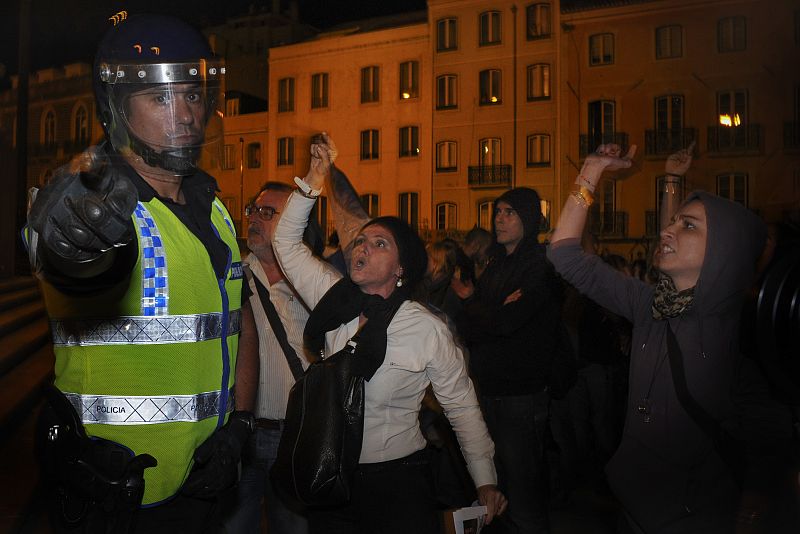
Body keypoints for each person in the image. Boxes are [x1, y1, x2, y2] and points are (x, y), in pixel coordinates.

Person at [24, 14, 257, 533]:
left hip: (203, 484)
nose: (185, 115)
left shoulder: (214, 208)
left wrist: (240, 424)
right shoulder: (97, 200)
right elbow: (73, 250)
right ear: (116, 108)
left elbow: (239, 320)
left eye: (193, 96)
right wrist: (66, 236)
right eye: (160, 98)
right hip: (112, 491)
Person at [547, 143, 793, 533]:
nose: (667, 230)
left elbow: (771, 426)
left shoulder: (739, 332)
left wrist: (758, 493)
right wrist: (591, 169)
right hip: (634, 508)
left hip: (697, 517)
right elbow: (565, 256)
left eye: (688, 225)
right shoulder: (650, 305)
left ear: (723, 253)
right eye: (674, 221)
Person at [272, 134, 507, 534]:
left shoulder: (426, 329)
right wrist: (313, 178)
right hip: (330, 472)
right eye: (361, 241)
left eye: (380, 243)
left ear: (401, 268)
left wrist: (485, 481)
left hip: (399, 482)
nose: (362, 247)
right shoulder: (334, 299)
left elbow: (462, 408)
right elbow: (286, 243)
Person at [457, 187, 564, 534]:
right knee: (492, 488)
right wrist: (490, 307)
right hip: (488, 390)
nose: (500, 219)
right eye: (498, 212)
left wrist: (485, 309)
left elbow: (509, 322)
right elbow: (469, 324)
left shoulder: (540, 263)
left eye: (510, 213)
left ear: (528, 218)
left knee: (524, 495)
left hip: (521, 395)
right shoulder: (496, 263)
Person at [221, 182, 318, 533]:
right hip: (242, 437)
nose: (255, 219)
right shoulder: (232, 278)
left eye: (268, 213)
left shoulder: (312, 284)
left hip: (296, 438)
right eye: (253, 210)